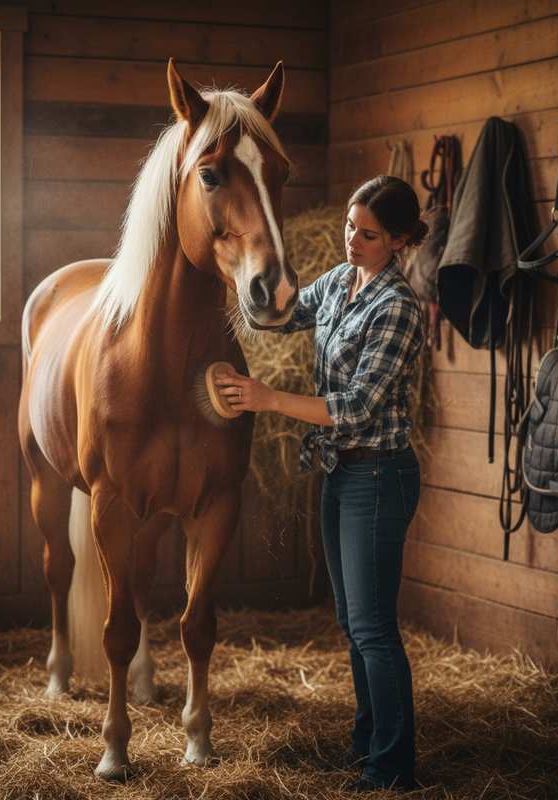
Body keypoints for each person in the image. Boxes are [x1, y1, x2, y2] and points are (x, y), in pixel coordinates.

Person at [216, 175, 427, 793]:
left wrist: (266, 398)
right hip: (342, 471)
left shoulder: (398, 308)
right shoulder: (341, 282)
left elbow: (356, 408)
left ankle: (391, 767)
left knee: (373, 628)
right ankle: (369, 746)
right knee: (350, 619)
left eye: (368, 235)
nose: (352, 241)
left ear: (399, 241)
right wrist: (235, 276)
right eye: (350, 227)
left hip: (379, 475)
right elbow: (283, 314)